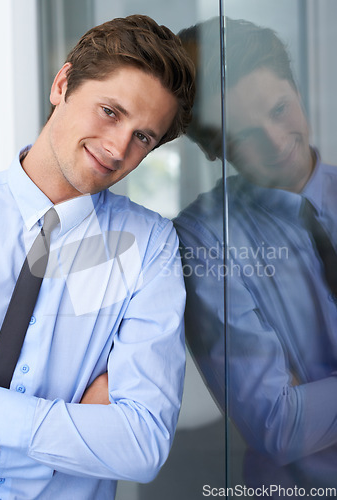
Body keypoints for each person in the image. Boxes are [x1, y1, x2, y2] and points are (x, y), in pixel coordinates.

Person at [0, 14, 195, 500]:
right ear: (63, 84)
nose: (118, 147)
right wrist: (67, 442)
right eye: (110, 111)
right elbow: (114, 441)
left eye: (143, 136)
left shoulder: (149, 247)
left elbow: (141, 445)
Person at [174, 17, 337, 495]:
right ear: (214, 150)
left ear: (298, 91)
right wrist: (293, 409)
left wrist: (312, 395)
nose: (275, 139)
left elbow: (298, 411)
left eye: (280, 108)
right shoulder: (205, 239)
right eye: (244, 134)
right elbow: (277, 424)